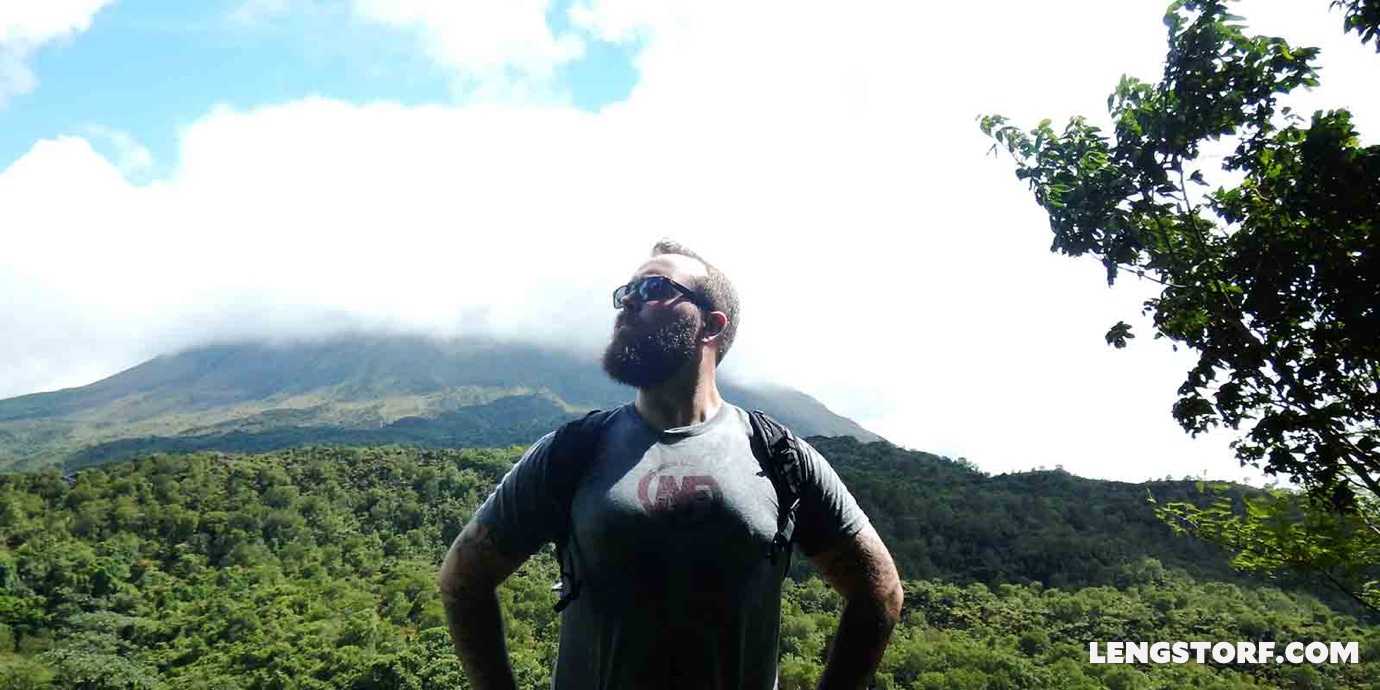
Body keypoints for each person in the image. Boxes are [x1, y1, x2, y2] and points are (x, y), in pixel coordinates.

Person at [438, 240, 903, 690]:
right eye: (625, 292)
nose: (627, 304)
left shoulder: (779, 456)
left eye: (653, 289)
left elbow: (879, 591)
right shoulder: (572, 452)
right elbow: (463, 580)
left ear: (711, 325)